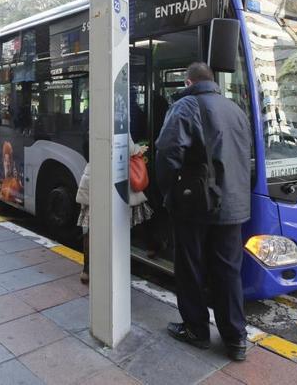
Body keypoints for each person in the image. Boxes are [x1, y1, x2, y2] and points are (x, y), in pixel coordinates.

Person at [155, 62, 252, 362]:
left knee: (190, 267)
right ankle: (236, 339)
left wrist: (169, 193)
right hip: (234, 205)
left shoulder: (186, 106)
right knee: (228, 271)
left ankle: (196, 330)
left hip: (196, 205)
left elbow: (167, 152)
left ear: (188, 81)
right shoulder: (235, 108)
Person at [76, 138, 152, 285]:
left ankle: (87, 270)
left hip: (92, 177)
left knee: (90, 227)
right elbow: (127, 147)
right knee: (131, 216)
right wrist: (139, 149)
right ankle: (151, 246)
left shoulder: (91, 121)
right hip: (114, 178)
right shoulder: (117, 116)